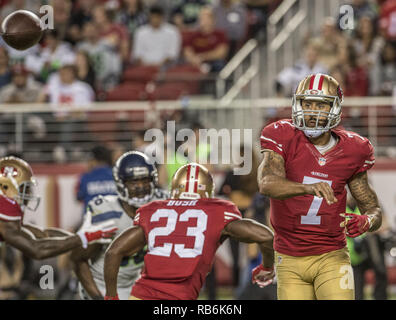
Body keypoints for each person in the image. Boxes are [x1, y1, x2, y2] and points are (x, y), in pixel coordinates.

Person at [257, 73, 382, 300]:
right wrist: (308, 188)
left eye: (321, 105)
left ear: (334, 108)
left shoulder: (354, 149)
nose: (312, 111)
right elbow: (267, 184)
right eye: (307, 103)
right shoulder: (281, 135)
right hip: (289, 256)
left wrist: (367, 221)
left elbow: (374, 210)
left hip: (331, 255)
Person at [103, 162, 275, 300]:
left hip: (140, 295)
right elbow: (265, 235)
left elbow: (113, 252)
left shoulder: (153, 210)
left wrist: (111, 296)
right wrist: (267, 267)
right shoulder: (216, 211)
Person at [71, 151, 168, 300]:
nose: (141, 186)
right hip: (102, 285)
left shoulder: (162, 205)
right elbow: (79, 259)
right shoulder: (107, 213)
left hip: (138, 284)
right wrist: (97, 297)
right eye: (133, 182)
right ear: (121, 184)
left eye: (144, 180)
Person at [0, 156, 117, 261]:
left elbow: (43, 234)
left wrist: (83, 237)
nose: (29, 193)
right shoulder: (5, 207)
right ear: (5, 188)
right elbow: (37, 250)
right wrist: (84, 237)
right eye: (23, 188)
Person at [76, 145, 117, 216]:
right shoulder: (117, 175)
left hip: (92, 221)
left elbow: (79, 197)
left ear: (93, 160)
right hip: (117, 220)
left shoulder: (86, 177)